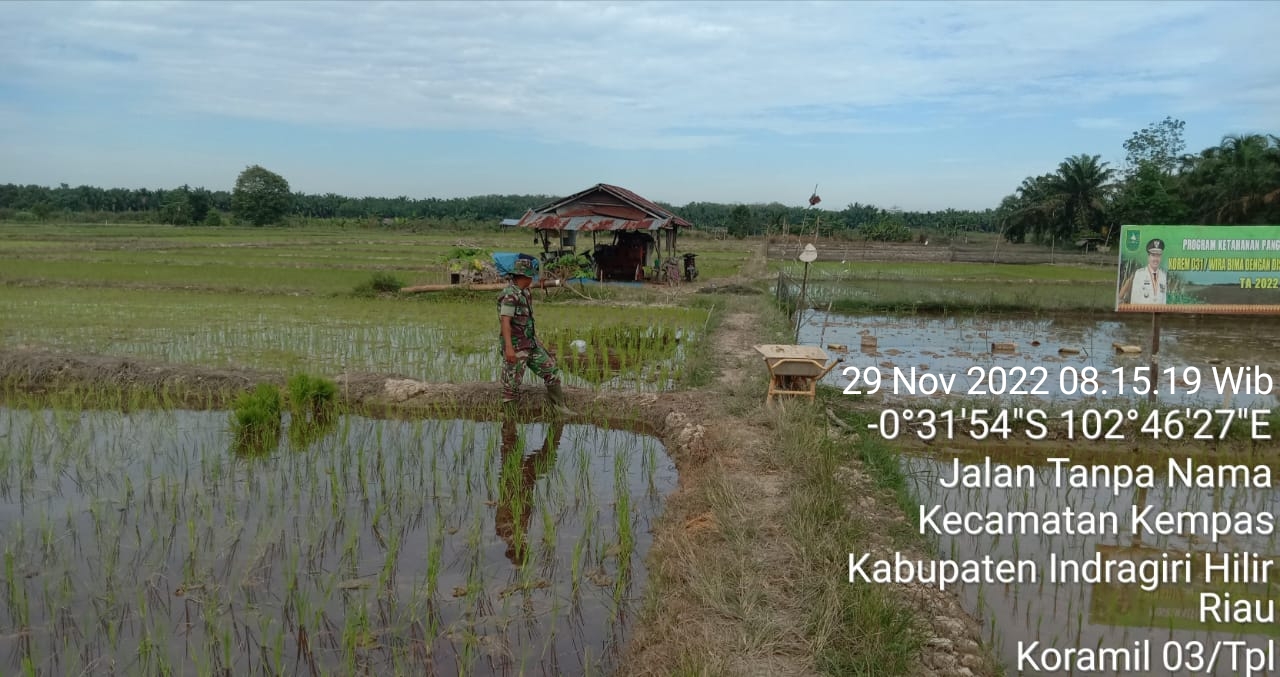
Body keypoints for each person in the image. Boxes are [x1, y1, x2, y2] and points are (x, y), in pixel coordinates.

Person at [498, 257, 576, 415]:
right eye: (530, 276)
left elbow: (528, 321)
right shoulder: (510, 295)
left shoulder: (525, 292)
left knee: (551, 370)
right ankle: (508, 420)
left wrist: (537, 341)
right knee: (512, 384)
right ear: (523, 276)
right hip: (516, 346)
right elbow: (505, 322)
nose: (532, 278)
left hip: (530, 343)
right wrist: (509, 349)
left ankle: (559, 408)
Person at [494, 418, 562, 565]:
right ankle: (557, 424)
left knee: (511, 443)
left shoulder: (504, 531)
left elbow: (506, 512)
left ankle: (511, 416)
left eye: (519, 549)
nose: (522, 546)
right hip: (524, 480)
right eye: (522, 549)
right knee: (545, 459)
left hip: (514, 478)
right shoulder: (515, 533)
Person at [1118, 238, 1168, 305]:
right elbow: (1134, 299)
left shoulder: (1163, 276)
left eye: (1158, 256)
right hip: (1144, 313)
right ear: (1148, 257)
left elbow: (1163, 300)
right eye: (1153, 255)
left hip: (1158, 313)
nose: (1156, 259)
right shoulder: (1139, 274)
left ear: (1161, 257)